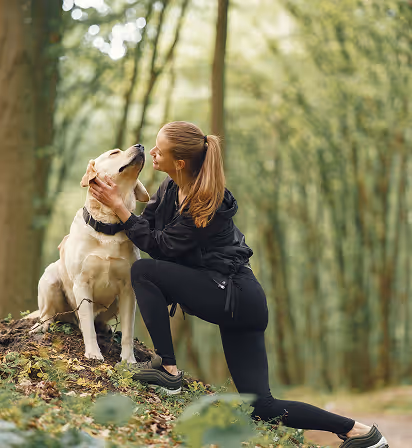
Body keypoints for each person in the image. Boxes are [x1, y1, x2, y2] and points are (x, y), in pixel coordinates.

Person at [89, 121, 389, 448]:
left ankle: (169, 370)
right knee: (262, 406)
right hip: (231, 299)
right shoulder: (169, 189)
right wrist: (111, 208)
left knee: (145, 272)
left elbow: (162, 247)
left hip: (236, 297)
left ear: (180, 163)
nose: (153, 152)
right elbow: (145, 228)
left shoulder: (208, 203)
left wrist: (119, 207)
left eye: (160, 149)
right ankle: (359, 432)